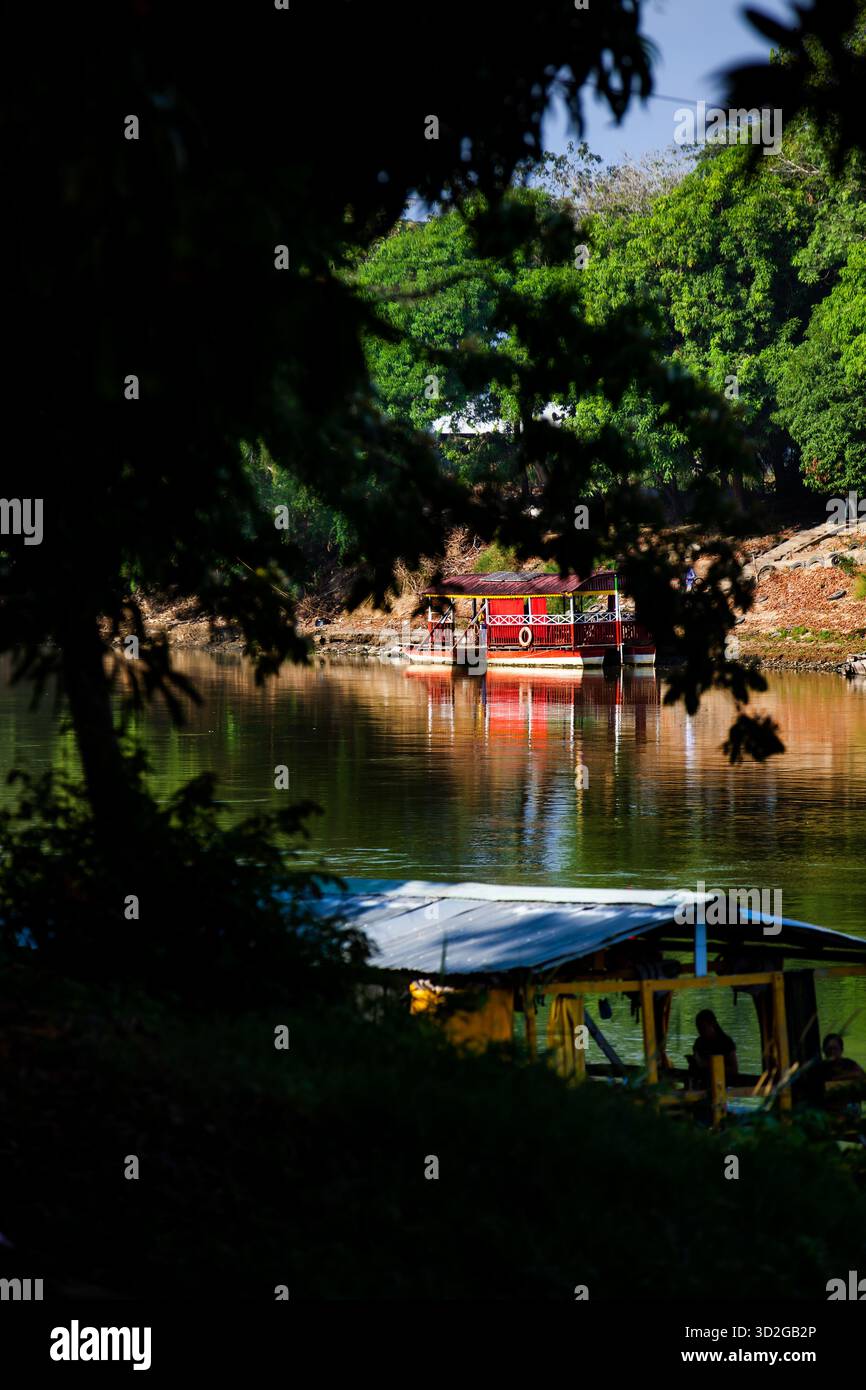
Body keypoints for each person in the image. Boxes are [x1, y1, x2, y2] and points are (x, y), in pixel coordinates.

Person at [688, 1009, 738, 1085]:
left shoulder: (726, 1042)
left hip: (722, 1085)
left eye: (703, 1028)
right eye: (698, 1029)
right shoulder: (699, 1042)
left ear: (713, 1024)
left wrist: (710, 1066)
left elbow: (734, 1070)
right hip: (701, 1083)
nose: (700, 1032)